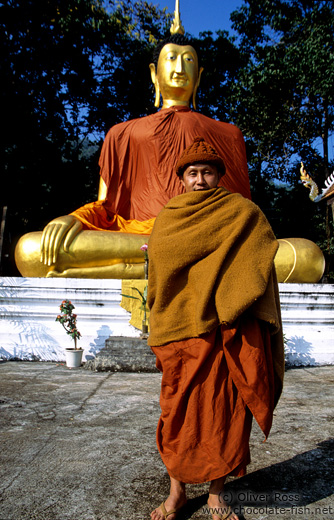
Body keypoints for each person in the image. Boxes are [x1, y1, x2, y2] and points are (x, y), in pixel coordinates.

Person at [14, 33, 250, 279]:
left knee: (284, 254)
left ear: (199, 75)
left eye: (188, 60)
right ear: (153, 73)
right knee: (31, 250)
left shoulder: (228, 134)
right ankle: (165, 263)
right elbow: (106, 207)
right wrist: (74, 219)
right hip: (136, 238)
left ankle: (145, 265)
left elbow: (242, 215)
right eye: (171, 58)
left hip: (204, 238)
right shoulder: (120, 134)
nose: (180, 68)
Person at [147, 137, 284, 520]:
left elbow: (260, 259)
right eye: (193, 172)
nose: (200, 179)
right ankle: (177, 494)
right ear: (182, 179)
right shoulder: (170, 217)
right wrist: (158, 321)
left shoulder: (243, 212)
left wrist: (231, 303)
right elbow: (159, 275)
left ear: (220, 176)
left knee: (225, 413)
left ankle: (216, 495)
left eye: (208, 171)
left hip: (227, 330)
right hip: (182, 332)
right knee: (178, 415)